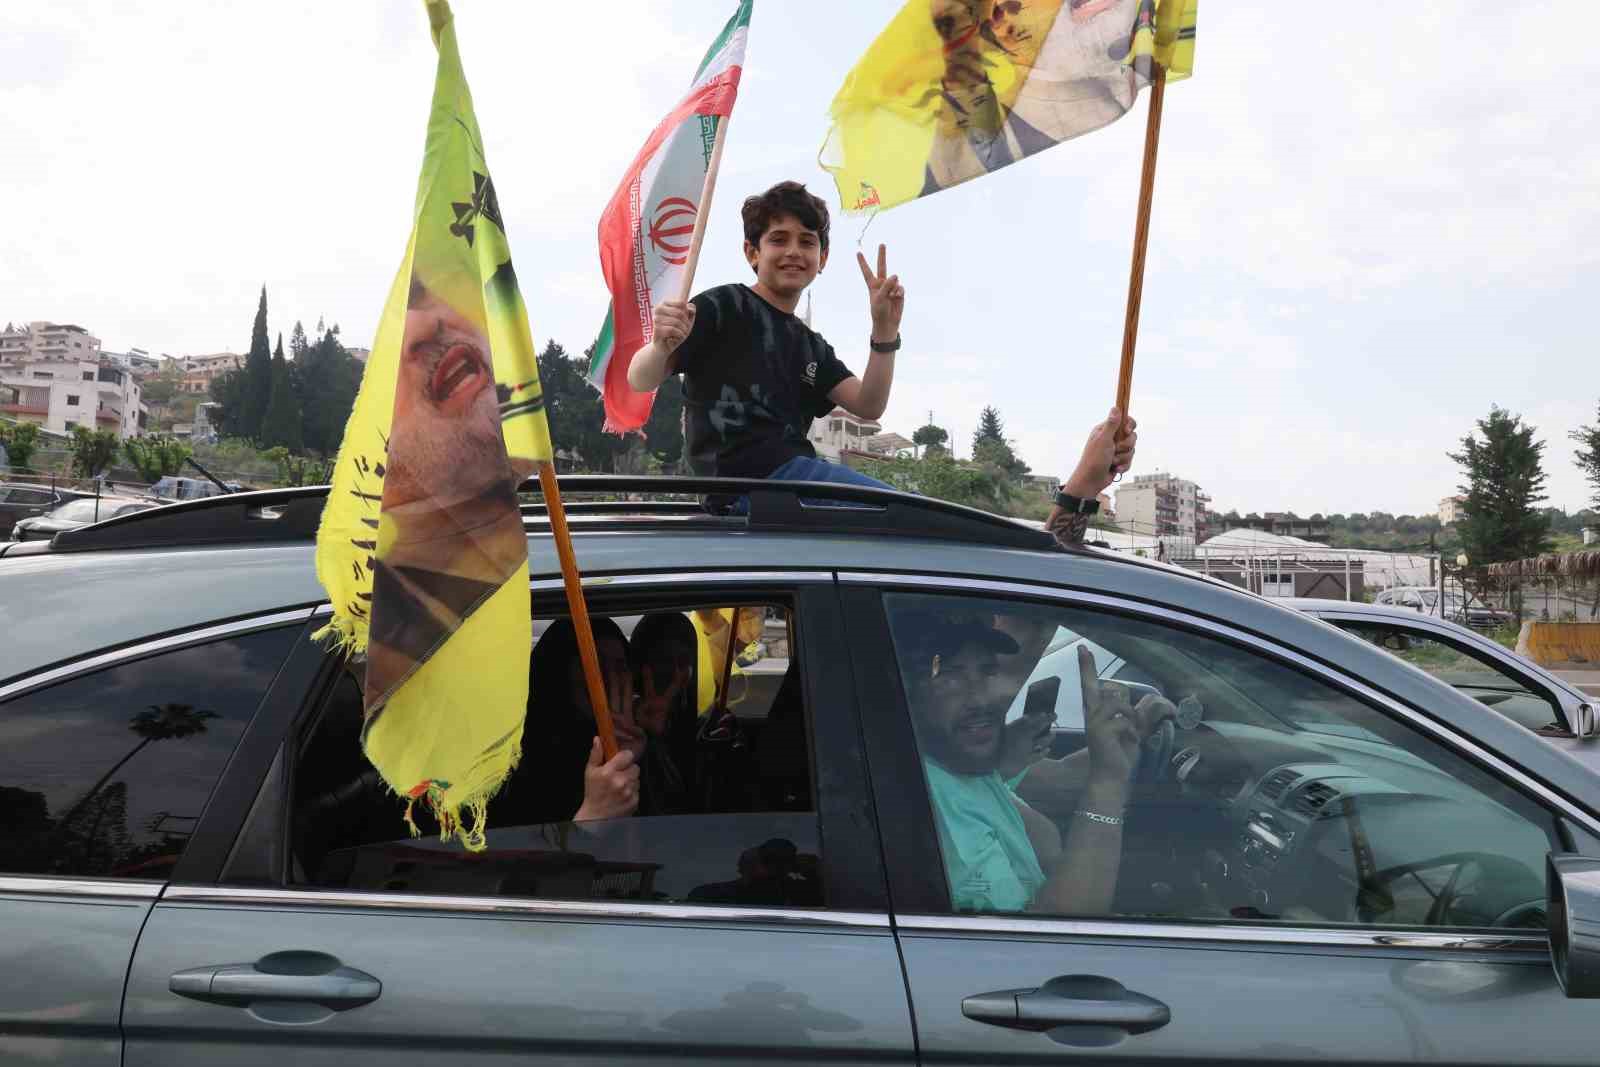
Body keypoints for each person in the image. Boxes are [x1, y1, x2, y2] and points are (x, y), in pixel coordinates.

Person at [625, 180, 1139, 544]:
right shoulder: (725, 305)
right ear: (750, 252)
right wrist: (662, 345)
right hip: (754, 481)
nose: (793, 252)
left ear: (823, 259)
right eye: (777, 239)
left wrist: (884, 332)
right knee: (916, 519)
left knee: (916, 523)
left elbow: (867, 406)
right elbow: (640, 378)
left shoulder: (809, 344)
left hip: (793, 481)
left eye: (808, 241)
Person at [899, 612, 1172, 915]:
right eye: (950, 676)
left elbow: (1059, 782)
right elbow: (1055, 941)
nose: (981, 699)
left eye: (987, 671)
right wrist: (1108, 784)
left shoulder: (960, 762)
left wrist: (1125, 741)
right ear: (909, 692)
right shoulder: (936, 810)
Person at [504, 618, 642, 826]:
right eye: (594, 664)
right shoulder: (521, 762)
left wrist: (628, 757)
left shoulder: (638, 747)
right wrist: (593, 814)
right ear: (560, 674)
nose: (608, 677)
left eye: (619, 666)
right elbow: (531, 853)